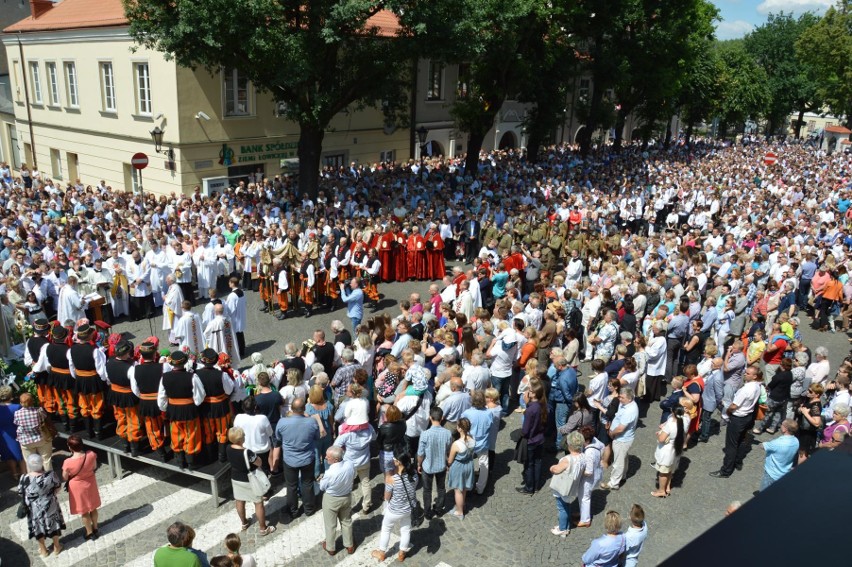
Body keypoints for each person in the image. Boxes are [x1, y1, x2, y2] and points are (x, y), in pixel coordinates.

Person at [710, 365, 762, 478]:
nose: (745, 374)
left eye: (748, 373)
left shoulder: (746, 389)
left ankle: (726, 470)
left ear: (754, 376)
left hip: (739, 418)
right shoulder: (758, 386)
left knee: (731, 445)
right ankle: (738, 461)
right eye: (746, 372)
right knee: (742, 440)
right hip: (748, 416)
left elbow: (734, 406)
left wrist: (728, 412)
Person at [225, 426, 275, 536]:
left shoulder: (228, 448)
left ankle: (244, 523)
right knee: (258, 503)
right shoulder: (247, 452)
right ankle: (263, 528)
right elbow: (259, 463)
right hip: (249, 480)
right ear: (240, 439)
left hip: (236, 478)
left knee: (239, 501)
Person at [371, 448, 418, 562]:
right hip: (408, 509)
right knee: (406, 530)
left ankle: (382, 553)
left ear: (398, 462)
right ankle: (402, 553)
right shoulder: (414, 475)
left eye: (394, 459)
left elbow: (387, 497)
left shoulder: (392, 479)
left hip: (394, 511)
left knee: (386, 529)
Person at [275, 397, 319, 518]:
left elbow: (278, 438)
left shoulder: (282, 422)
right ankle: (309, 509)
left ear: (291, 408)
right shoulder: (311, 422)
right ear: (304, 409)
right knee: (308, 483)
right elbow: (317, 437)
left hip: (290, 460)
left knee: (291, 486)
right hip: (307, 458)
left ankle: (293, 510)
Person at [333, 396, 377, 513]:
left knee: (348, 485)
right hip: (364, 460)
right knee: (365, 483)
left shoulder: (345, 430)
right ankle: (366, 505)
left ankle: (348, 507)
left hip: (350, 462)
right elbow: (374, 437)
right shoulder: (369, 428)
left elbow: (336, 445)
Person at [18, 453, 64, 557]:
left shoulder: (24, 478)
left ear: (28, 465)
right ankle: (57, 547)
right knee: (54, 525)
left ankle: (43, 550)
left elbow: (21, 492)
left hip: (34, 508)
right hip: (50, 504)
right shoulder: (51, 475)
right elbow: (57, 487)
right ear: (42, 463)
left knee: (37, 527)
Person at [318, 445, 357, 556]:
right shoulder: (349, 464)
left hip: (331, 499)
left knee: (330, 524)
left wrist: (321, 479)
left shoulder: (330, 472)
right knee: (346, 521)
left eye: (327, 456)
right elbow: (354, 475)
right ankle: (349, 545)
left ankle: (330, 548)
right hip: (346, 497)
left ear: (335, 459)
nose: (325, 458)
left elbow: (322, 487)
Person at [62, 434, 101, 540]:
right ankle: (96, 527)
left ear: (70, 448)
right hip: (90, 483)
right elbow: (94, 467)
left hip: (77, 488)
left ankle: (89, 532)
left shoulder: (68, 462)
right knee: (93, 507)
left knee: (84, 511)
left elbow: (65, 478)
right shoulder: (91, 454)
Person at [417, 405, 452, 518]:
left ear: (430, 418)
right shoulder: (448, 433)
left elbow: (421, 453)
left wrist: (419, 464)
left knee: (427, 490)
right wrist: (447, 463)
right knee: (441, 488)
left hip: (428, 467)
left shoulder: (425, 434)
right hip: (441, 465)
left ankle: (427, 512)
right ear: (442, 418)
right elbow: (448, 450)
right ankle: (438, 509)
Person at [601, 387, 639, 491]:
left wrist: (612, 433)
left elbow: (621, 428)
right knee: (623, 458)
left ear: (630, 399)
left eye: (622, 398)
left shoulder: (630, 411)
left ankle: (613, 483)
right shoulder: (626, 404)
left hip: (622, 439)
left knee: (618, 462)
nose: (619, 399)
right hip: (622, 438)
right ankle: (623, 476)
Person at [549, 430, 585, 537]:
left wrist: (552, 467)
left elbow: (556, 470)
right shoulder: (583, 457)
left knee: (562, 508)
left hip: (563, 488)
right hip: (573, 487)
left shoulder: (567, 460)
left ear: (569, 445)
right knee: (567, 506)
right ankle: (567, 525)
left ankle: (562, 528)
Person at [517, 379, 547, 494]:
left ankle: (529, 487)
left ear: (533, 393)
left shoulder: (530, 410)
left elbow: (525, 430)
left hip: (531, 441)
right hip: (540, 439)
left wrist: (526, 404)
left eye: (529, 390)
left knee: (529, 465)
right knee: (538, 462)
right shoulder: (542, 405)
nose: (527, 392)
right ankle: (537, 485)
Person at [233, 397, 273, 475]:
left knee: (249, 471)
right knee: (263, 471)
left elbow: (236, 431)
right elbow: (270, 433)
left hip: (245, 449)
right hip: (261, 450)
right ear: (255, 407)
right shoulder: (262, 418)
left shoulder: (238, 417)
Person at [13, 392, 53, 472]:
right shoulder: (39, 410)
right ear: (32, 402)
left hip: (26, 440)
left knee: (30, 462)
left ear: (21, 403)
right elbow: (44, 418)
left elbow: (16, 423)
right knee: (46, 459)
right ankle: (50, 479)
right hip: (41, 438)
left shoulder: (17, 413)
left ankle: (34, 480)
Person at [652, 406, 685, 498]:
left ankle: (661, 490)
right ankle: (667, 487)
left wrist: (658, 434)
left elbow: (662, 439)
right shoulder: (683, 422)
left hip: (666, 452)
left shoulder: (670, 425)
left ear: (672, 411)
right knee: (670, 470)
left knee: (663, 472)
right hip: (675, 450)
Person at [447, 416, 475, 520]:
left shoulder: (456, 444)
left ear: (460, 428)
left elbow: (450, 460)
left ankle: (459, 512)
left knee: (458, 490)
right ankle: (461, 505)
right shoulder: (472, 439)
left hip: (459, 467)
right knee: (464, 489)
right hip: (469, 464)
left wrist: (448, 465)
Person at [577, 425, 604, 528]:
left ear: (586, 440)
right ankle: (583, 513)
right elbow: (603, 447)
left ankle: (585, 520)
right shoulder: (595, 441)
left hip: (588, 479)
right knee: (584, 497)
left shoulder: (589, 453)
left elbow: (588, 472)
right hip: (597, 473)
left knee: (585, 497)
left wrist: (577, 471)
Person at [761, 419, 799, 491]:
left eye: (782, 424)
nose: (780, 426)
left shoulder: (778, 443)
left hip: (771, 474)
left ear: (785, 429)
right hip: (784, 474)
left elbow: (763, 446)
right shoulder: (796, 441)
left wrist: (763, 443)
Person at [0, 385, 24, 479]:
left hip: (2, 435)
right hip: (16, 433)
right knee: (21, 455)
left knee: (8, 455)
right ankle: (23, 473)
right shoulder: (17, 407)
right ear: (10, 395)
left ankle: (14, 474)